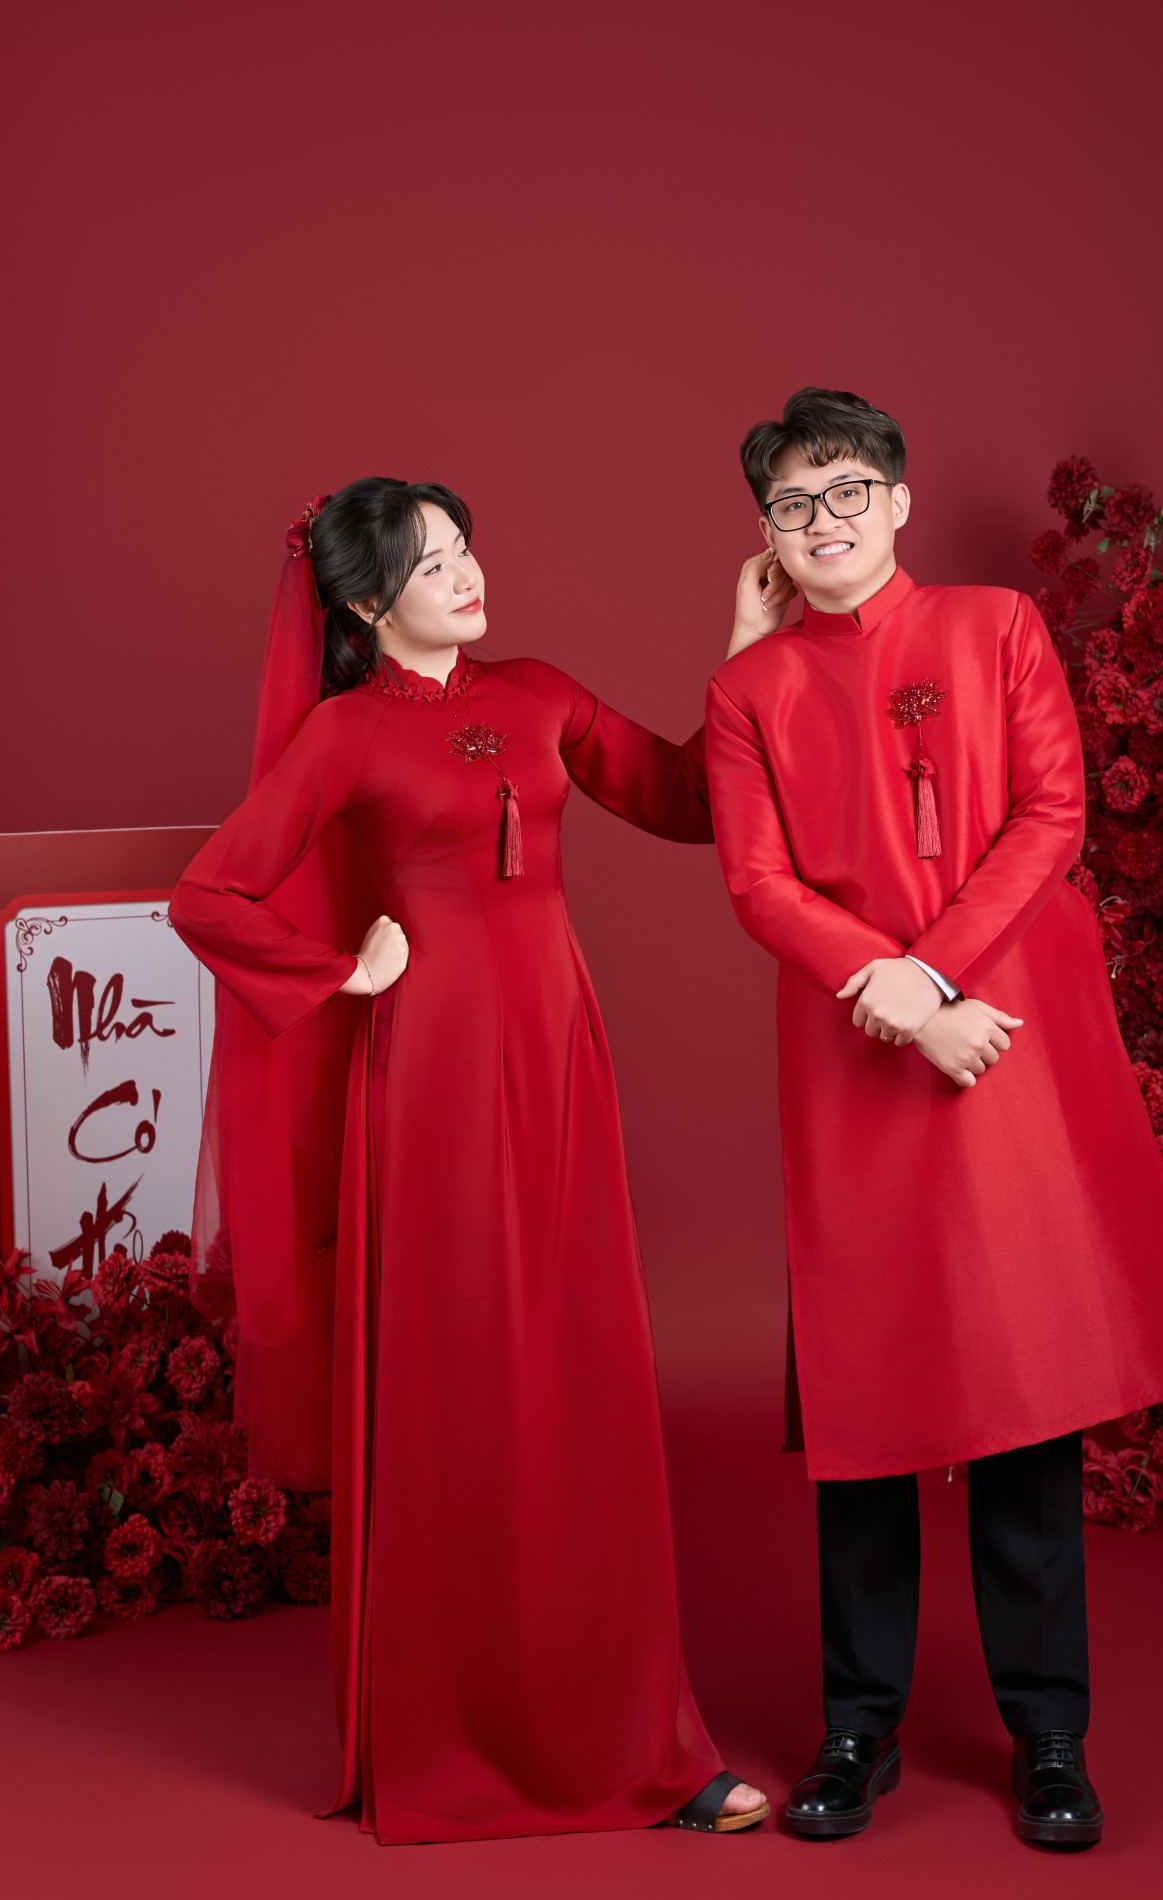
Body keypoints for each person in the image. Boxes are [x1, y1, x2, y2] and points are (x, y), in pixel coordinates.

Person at [169, 478, 774, 1846]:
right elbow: (208, 894)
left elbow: (690, 796)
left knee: (584, 1372)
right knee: (453, 1378)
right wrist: (338, 969)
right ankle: (448, 1744)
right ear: (365, 599)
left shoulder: (545, 694)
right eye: (432, 560)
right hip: (431, 1078)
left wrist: (744, 645)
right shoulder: (344, 733)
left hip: (557, 1056)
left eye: (465, 548)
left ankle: (640, 1741)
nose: (467, 573)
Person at [705, 388, 1163, 1850]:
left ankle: (1050, 1733)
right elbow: (755, 881)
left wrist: (933, 976)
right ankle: (857, 1726)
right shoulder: (747, 692)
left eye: (847, 491)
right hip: (855, 1049)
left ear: (899, 498)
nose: (825, 522)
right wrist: (885, 985)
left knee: (1018, 1389)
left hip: (997, 1038)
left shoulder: (996, 626)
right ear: (765, 532)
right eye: (793, 504)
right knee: (867, 1394)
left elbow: (1050, 815)